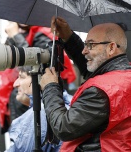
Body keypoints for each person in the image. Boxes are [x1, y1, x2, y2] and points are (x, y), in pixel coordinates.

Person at [39, 16, 131, 151]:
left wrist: (50, 87)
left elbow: (64, 128)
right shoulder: (122, 75)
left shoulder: (101, 91)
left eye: (91, 45)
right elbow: (95, 70)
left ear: (111, 48)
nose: (84, 50)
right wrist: (68, 36)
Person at [0, 21, 77, 134]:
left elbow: (37, 67)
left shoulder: (44, 33)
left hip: (37, 102)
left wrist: (16, 36)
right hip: (20, 100)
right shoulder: (23, 32)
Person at [5, 66, 73, 152]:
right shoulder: (64, 104)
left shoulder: (41, 111)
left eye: (22, 77)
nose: (15, 84)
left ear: (40, 80)